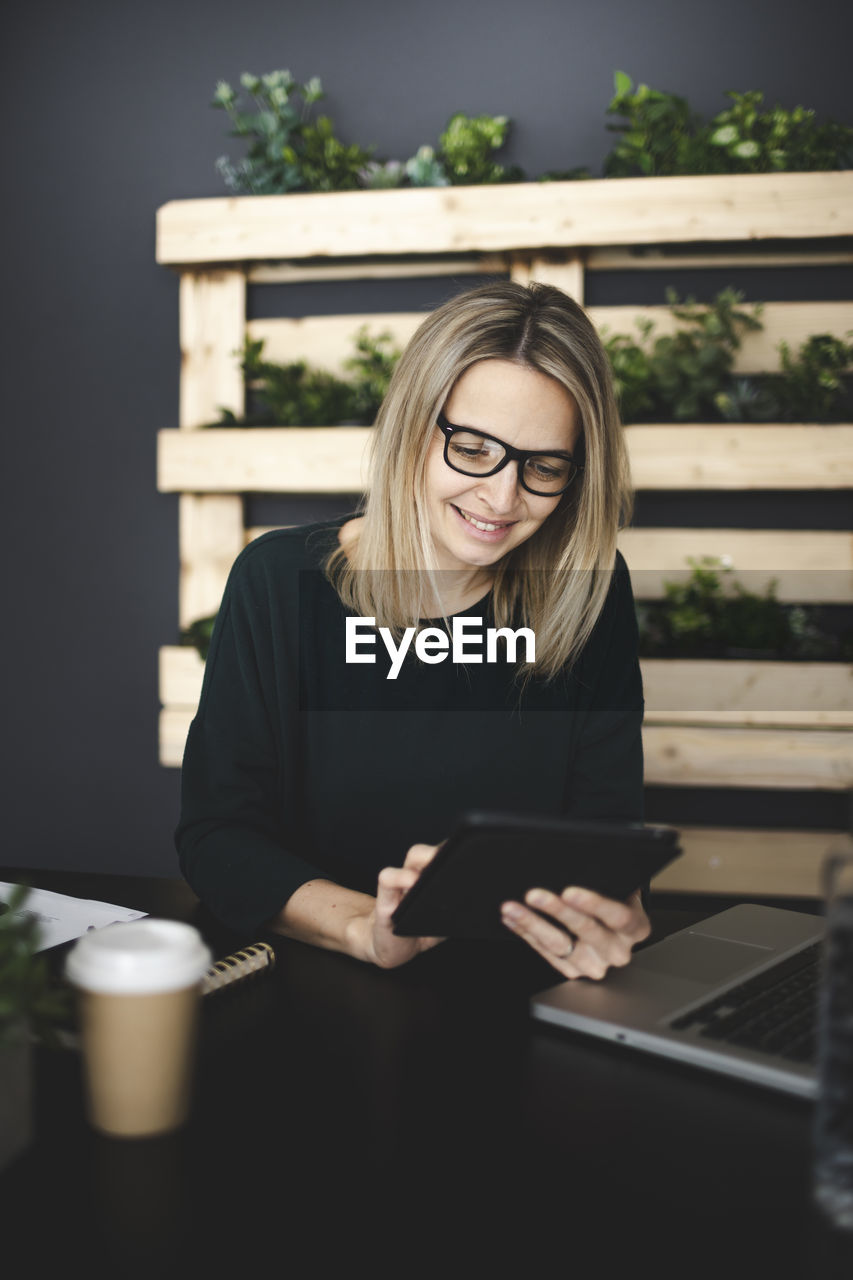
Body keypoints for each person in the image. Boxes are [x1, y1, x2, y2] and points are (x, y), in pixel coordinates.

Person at [176, 281, 650, 979]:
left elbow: (605, 836)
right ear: (412, 428)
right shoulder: (278, 582)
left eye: (543, 467)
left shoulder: (589, 589)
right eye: (472, 448)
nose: (501, 497)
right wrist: (368, 929)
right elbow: (218, 836)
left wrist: (615, 907)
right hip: (316, 987)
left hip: (521, 992)